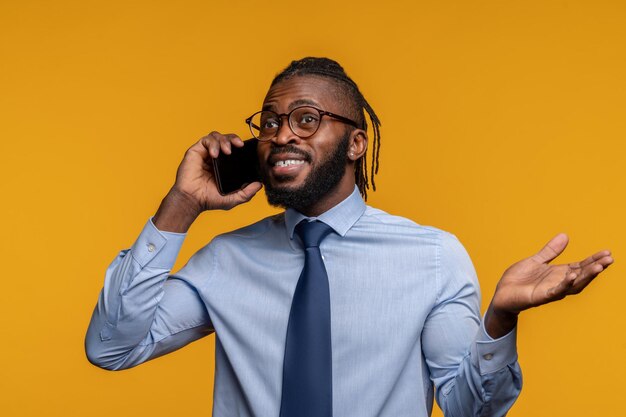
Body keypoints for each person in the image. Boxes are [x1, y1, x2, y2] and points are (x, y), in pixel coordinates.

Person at [85, 57, 613, 417]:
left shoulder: (431, 257)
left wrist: (499, 320)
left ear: (356, 143)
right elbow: (112, 346)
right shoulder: (226, 259)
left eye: (306, 119)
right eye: (269, 123)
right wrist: (180, 205)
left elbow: (468, 408)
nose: (282, 134)